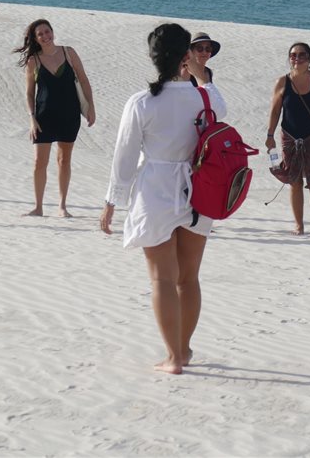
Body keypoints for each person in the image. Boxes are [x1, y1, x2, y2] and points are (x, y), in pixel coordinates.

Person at [99, 23, 223, 374]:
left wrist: (112, 201)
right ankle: (182, 350)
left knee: (162, 280)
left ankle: (173, 357)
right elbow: (221, 107)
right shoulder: (203, 95)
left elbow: (124, 157)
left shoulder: (142, 101)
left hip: (155, 188)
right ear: (185, 55)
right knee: (189, 278)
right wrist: (201, 75)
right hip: (197, 189)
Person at [13, 19, 96, 217]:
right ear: (35, 38)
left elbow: (84, 80)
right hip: (43, 116)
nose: (45, 36)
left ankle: (62, 206)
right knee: (38, 162)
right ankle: (38, 206)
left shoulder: (69, 52)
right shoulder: (33, 60)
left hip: (69, 114)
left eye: (47, 31)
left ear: (53, 32)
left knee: (64, 160)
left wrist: (91, 107)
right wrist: (32, 118)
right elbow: (29, 93)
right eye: (40, 34)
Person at [263, 42, 310, 236]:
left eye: (302, 55)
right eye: (293, 55)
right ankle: (299, 225)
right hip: (289, 136)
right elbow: (275, 110)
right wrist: (270, 135)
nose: (297, 58)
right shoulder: (282, 82)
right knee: (294, 181)